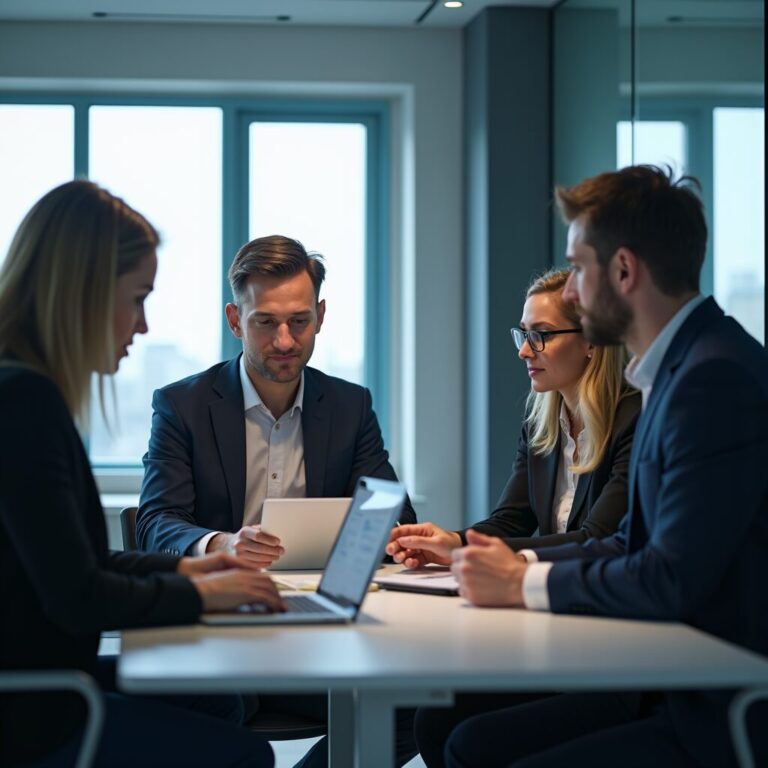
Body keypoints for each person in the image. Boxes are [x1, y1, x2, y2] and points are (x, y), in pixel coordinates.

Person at [445, 165, 768, 768]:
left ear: (622, 271)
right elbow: (626, 543)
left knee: (477, 749)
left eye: (578, 269)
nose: (569, 291)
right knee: (464, 738)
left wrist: (521, 581)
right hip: (658, 675)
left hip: (709, 706)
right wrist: (502, 560)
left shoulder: (711, 380)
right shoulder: (680, 371)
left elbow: (667, 576)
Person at [0, 180, 284, 768]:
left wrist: (188, 566)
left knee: (219, 704)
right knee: (247, 757)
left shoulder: (23, 390)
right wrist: (204, 592)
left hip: (38, 677)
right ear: (80, 293)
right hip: (32, 711)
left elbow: (80, 563)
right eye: (136, 298)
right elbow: (79, 598)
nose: (144, 324)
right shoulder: (22, 404)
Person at [136, 233, 417, 768]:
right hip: (218, 630)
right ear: (234, 320)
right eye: (265, 321)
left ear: (321, 315)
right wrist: (219, 542)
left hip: (318, 630)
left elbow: (393, 514)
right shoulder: (182, 405)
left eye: (300, 320)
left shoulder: (350, 405)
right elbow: (155, 522)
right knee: (213, 707)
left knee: (414, 705)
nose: (285, 340)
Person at [386, 267, 640, 766]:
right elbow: (510, 520)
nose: (525, 350)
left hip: (612, 642)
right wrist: (452, 539)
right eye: (523, 334)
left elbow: (599, 536)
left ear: (591, 342)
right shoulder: (541, 419)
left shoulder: (635, 418)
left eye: (541, 336)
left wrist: (480, 554)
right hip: (556, 630)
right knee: (432, 721)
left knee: (463, 736)